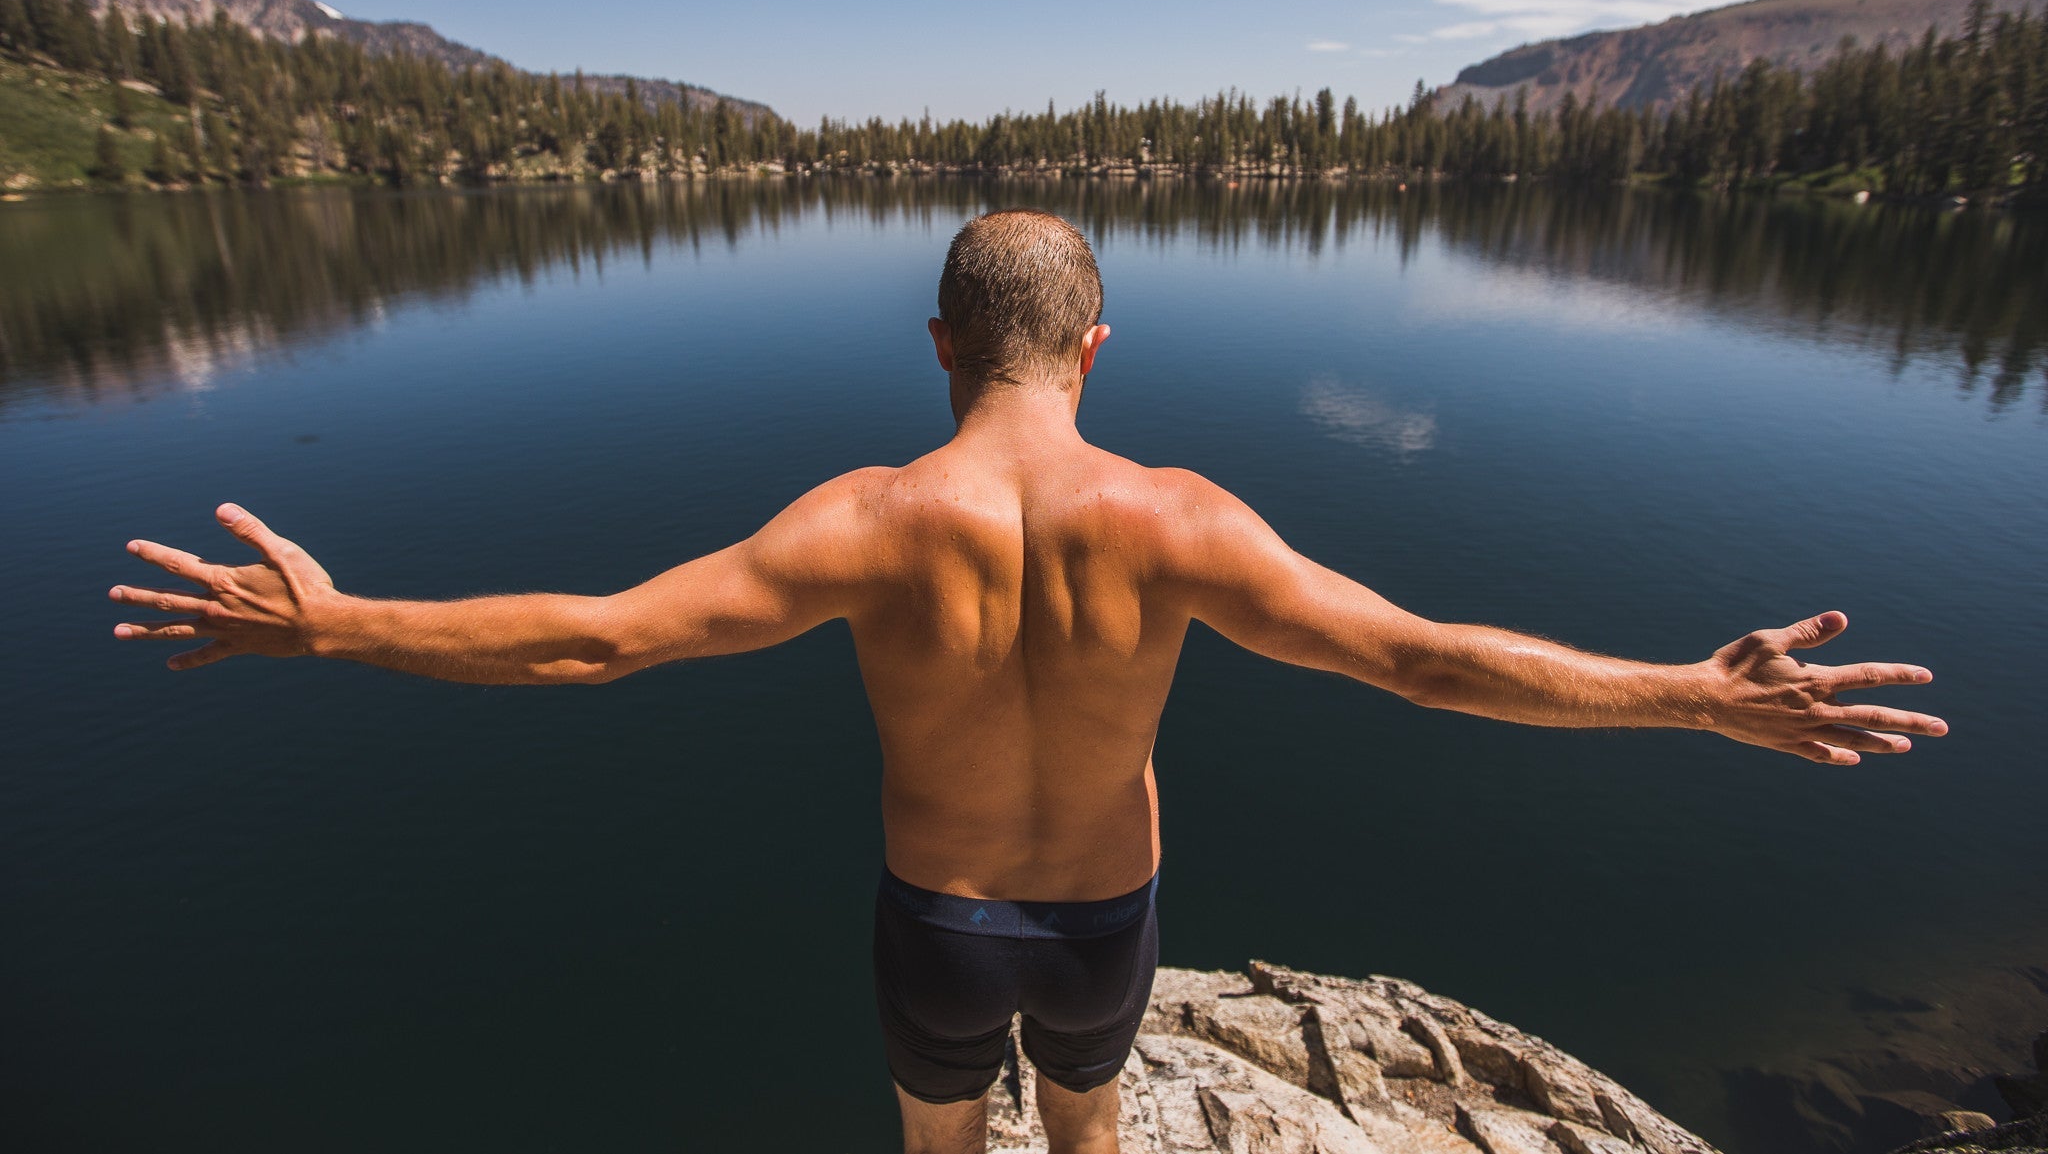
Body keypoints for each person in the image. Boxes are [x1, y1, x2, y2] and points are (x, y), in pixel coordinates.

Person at [109, 208, 1945, 1154]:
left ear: (938, 342)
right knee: (1088, 1118)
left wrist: (334, 621)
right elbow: (1420, 658)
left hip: (936, 918)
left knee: (936, 1133)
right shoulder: (1182, 520)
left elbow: (597, 632)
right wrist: (1691, 691)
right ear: (1096, 343)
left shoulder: (862, 522)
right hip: (1105, 922)